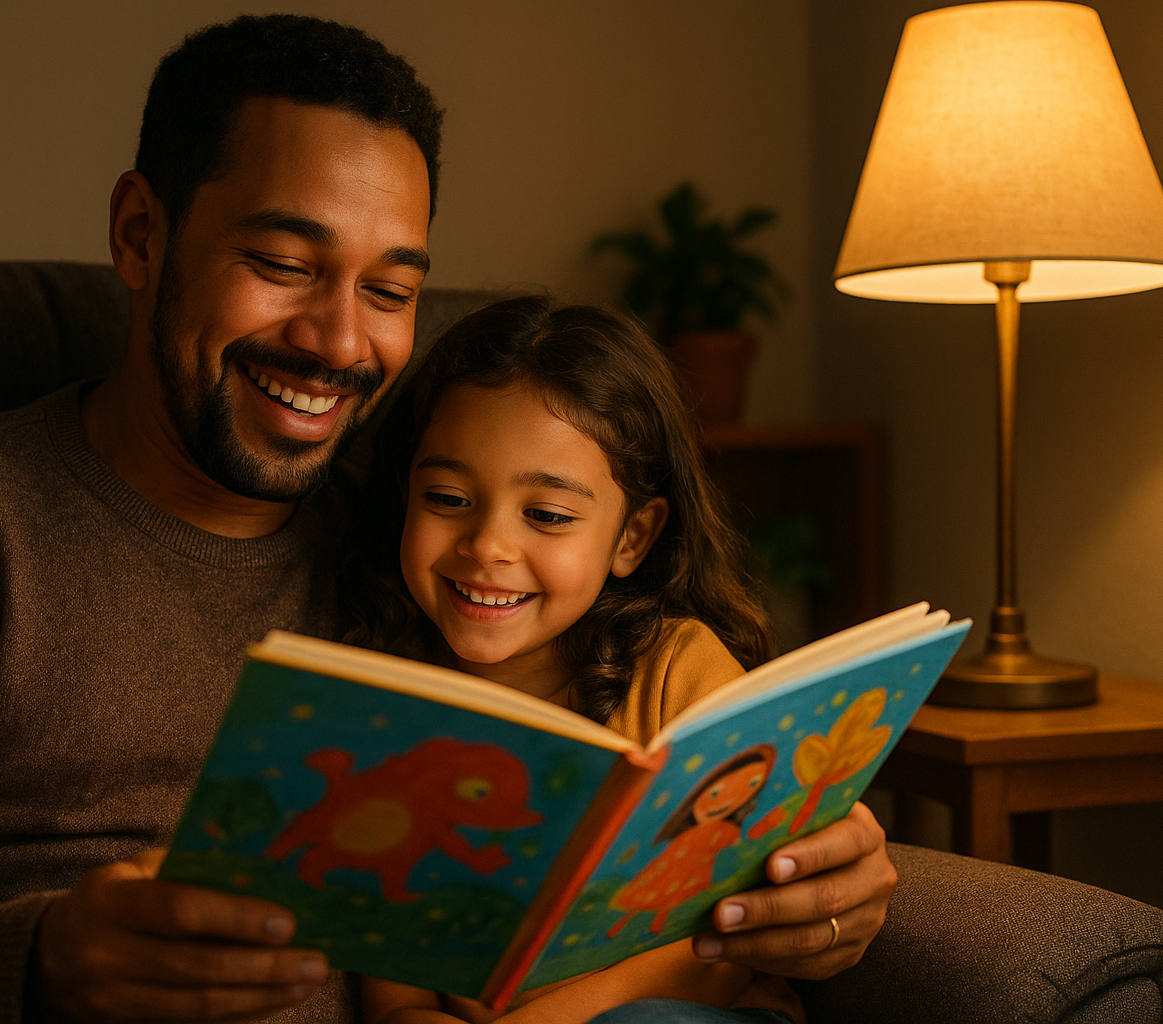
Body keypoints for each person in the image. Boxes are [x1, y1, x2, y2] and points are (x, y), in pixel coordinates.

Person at [0, 15, 893, 1024]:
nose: (341, 342)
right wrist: (44, 961)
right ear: (141, 234)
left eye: (390, 290)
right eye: (285, 261)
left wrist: (819, 879)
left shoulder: (421, 539)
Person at [340, 296, 881, 1024]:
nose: (488, 546)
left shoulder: (677, 667)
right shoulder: (382, 707)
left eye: (549, 516)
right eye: (447, 497)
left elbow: (723, 944)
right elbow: (393, 991)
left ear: (633, 536)